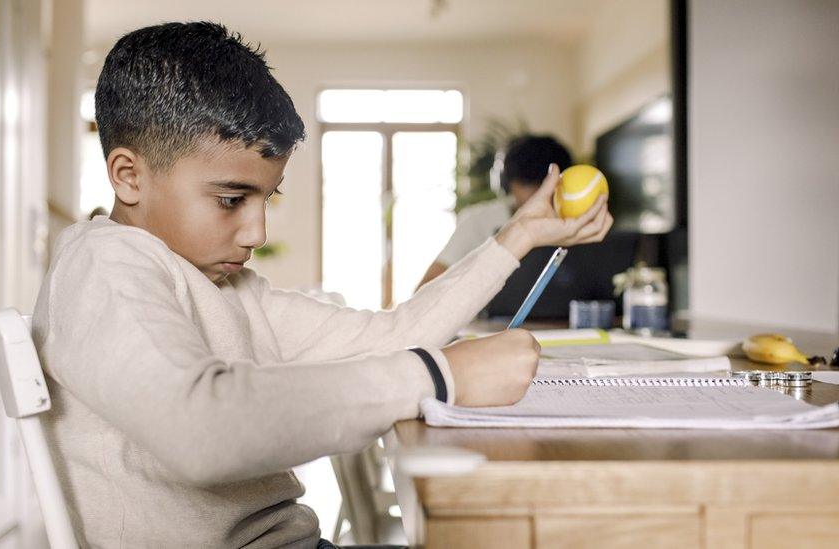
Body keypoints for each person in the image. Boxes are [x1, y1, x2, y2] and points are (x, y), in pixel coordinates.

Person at [32, 22, 611, 548]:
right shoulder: (103, 267)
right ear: (128, 176)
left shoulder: (223, 288)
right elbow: (201, 428)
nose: (256, 231)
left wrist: (518, 235)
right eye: (231, 199)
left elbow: (392, 334)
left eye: (266, 198)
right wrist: (439, 375)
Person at [417, 135, 573, 288]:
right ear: (507, 184)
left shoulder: (576, 221)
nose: (540, 196)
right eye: (528, 185)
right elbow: (425, 290)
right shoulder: (476, 221)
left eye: (547, 186)